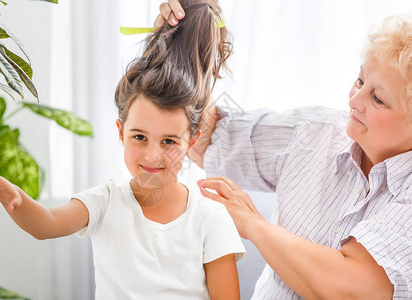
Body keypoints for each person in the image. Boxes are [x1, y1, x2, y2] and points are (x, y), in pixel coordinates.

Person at [0, 1, 246, 299]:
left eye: (169, 141)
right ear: (121, 133)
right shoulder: (105, 202)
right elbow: (46, 224)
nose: (153, 155)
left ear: (190, 144)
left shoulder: (211, 219)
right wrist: (17, 198)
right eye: (139, 137)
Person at [157, 2, 411, 299]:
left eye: (378, 98)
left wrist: (254, 226)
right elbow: (206, 138)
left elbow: (350, 289)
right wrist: (183, 46)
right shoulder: (314, 132)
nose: (355, 100)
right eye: (360, 80)